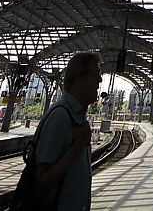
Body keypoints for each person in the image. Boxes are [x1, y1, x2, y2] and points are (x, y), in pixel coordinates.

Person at [31, 51, 102, 210]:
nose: (100, 79)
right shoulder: (61, 116)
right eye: (96, 74)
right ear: (80, 79)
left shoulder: (77, 117)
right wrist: (78, 146)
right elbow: (39, 183)